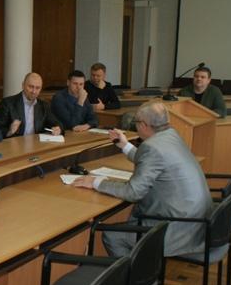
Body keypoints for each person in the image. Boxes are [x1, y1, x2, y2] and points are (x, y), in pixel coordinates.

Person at [72, 101, 212, 257]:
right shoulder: (170, 135)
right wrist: (125, 145)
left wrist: (95, 182)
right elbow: (152, 160)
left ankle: (132, 272)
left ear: (144, 125)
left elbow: (133, 192)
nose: (135, 126)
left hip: (178, 228)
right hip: (195, 220)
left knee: (113, 236)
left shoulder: (152, 147)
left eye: (136, 122)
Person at [0, 73, 62, 138]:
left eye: (37, 88)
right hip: (15, 144)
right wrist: (9, 131)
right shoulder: (8, 103)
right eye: (31, 87)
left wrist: (58, 129)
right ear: (23, 85)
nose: (34, 91)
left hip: (36, 143)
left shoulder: (43, 105)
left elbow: (57, 124)